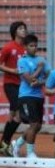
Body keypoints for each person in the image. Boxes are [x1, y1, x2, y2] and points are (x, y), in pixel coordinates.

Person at [11, 34, 50, 158]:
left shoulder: (41, 60)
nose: (34, 48)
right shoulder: (22, 61)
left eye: (35, 45)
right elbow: (29, 80)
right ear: (25, 47)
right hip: (26, 96)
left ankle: (17, 143)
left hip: (39, 96)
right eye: (31, 46)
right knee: (34, 124)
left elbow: (49, 76)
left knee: (38, 125)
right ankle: (30, 152)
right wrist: (39, 70)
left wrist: (40, 82)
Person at [0, 21, 27, 155]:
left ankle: (4, 142)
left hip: (24, 86)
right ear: (15, 31)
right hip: (10, 83)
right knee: (18, 111)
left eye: (24, 28)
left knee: (17, 116)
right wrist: (12, 70)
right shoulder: (8, 47)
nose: (24, 30)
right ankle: (5, 142)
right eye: (21, 28)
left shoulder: (27, 49)